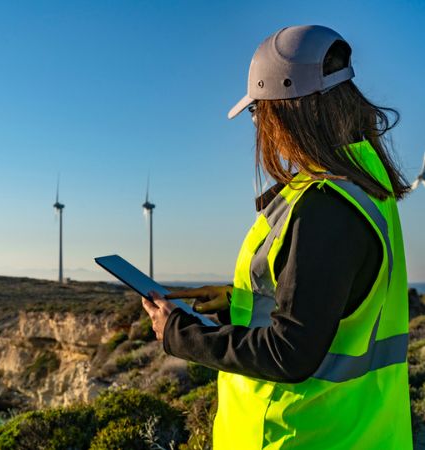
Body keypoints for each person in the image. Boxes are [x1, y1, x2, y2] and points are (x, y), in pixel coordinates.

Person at [140, 25, 413, 449]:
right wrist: (238, 302)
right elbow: (329, 303)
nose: (258, 125)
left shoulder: (326, 206)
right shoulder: (364, 187)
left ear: (287, 109)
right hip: (358, 429)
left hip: (299, 433)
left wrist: (176, 333)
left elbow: (291, 352)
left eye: (257, 111)